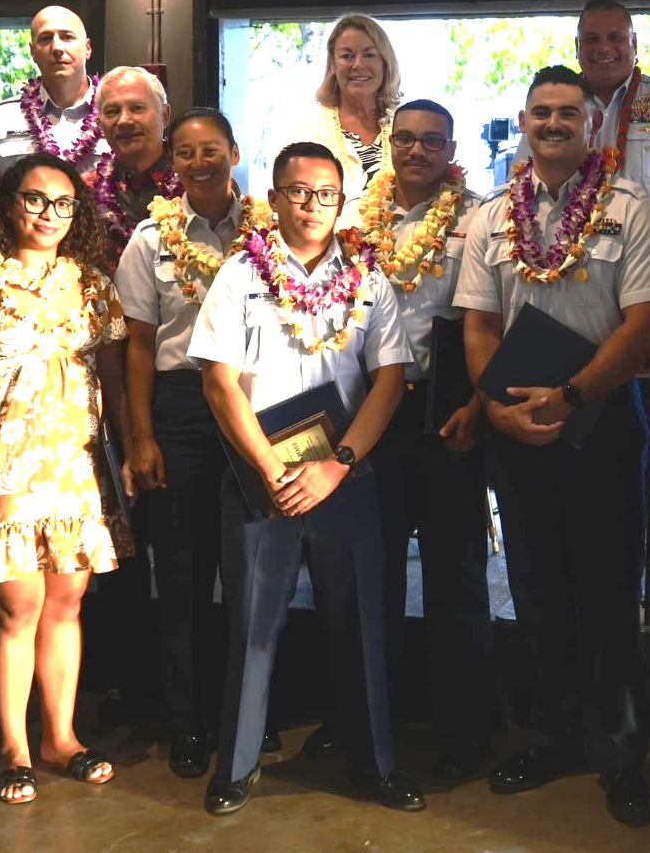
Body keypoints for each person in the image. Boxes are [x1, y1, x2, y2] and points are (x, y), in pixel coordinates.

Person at [457, 65, 650, 827]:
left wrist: (573, 393)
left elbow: (645, 321)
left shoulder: (629, 208)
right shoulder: (492, 216)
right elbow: (478, 327)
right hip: (517, 429)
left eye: (567, 115)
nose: (552, 125)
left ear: (591, 126)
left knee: (609, 594)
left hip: (602, 424)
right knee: (538, 589)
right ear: (523, 120)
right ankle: (549, 735)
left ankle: (620, 752)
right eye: (541, 113)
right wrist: (496, 405)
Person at [189, 141, 424, 816]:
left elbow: (389, 381)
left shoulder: (369, 278)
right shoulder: (240, 273)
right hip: (260, 472)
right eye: (299, 192)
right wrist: (269, 468)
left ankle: (373, 763)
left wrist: (337, 465)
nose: (313, 205)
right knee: (252, 624)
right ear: (275, 194)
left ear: (342, 200)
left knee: (359, 624)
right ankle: (233, 767)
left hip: (342, 474)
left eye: (326, 194)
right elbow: (217, 380)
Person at [0, 152, 132, 804]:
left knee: (66, 605)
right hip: (2, 466)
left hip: (75, 467)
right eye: (35, 199)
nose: (48, 213)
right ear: (10, 203)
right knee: (16, 608)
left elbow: (116, 382)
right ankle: (14, 743)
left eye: (63, 203)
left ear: (78, 212)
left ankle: (60, 735)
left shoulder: (93, 282)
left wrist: (128, 452)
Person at [113, 107, 271, 778]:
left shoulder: (274, 228)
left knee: (253, 574)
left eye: (212, 150)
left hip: (259, 405)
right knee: (180, 573)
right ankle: (188, 720)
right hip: (180, 411)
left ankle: (250, 716)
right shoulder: (151, 240)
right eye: (185, 153)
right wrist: (140, 436)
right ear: (170, 164)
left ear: (234, 151)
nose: (200, 162)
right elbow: (139, 349)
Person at [350, 99, 494, 779]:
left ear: (451, 146)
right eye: (404, 139)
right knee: (369, 576)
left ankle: (461, 732)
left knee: (456, 578)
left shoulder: (479, 217)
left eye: (431, 141)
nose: (415, 151)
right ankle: (369, 722)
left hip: (447, 412)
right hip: (373, 412)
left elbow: (486, 319)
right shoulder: (353, 215)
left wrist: (475, 402)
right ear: (388, 144)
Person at [512, 0, 650, 209]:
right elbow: (522, 181)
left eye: (615, 37)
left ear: (634, 43)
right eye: (592, 39)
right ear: (577, 46)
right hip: (566, 236)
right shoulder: (552, 108)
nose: (603, 48)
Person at [274, 14, 402, 207]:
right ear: (333, 65)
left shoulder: (405, 129)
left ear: (385, 63)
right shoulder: (305, 131)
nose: (358, 65)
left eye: (369, 55)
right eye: (347, 56)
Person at [0, 5, 108, 174]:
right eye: (45, 38)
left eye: (67, 37)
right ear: (33, 51)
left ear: (87, 48)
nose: (57, 48)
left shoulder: (114, 113)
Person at [89, 65, 183, 265]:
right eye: (112, 111)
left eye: (137, 108)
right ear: (100, 124)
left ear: (165, 115)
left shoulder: (195, 180)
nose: (124, 121)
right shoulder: (85, 192)